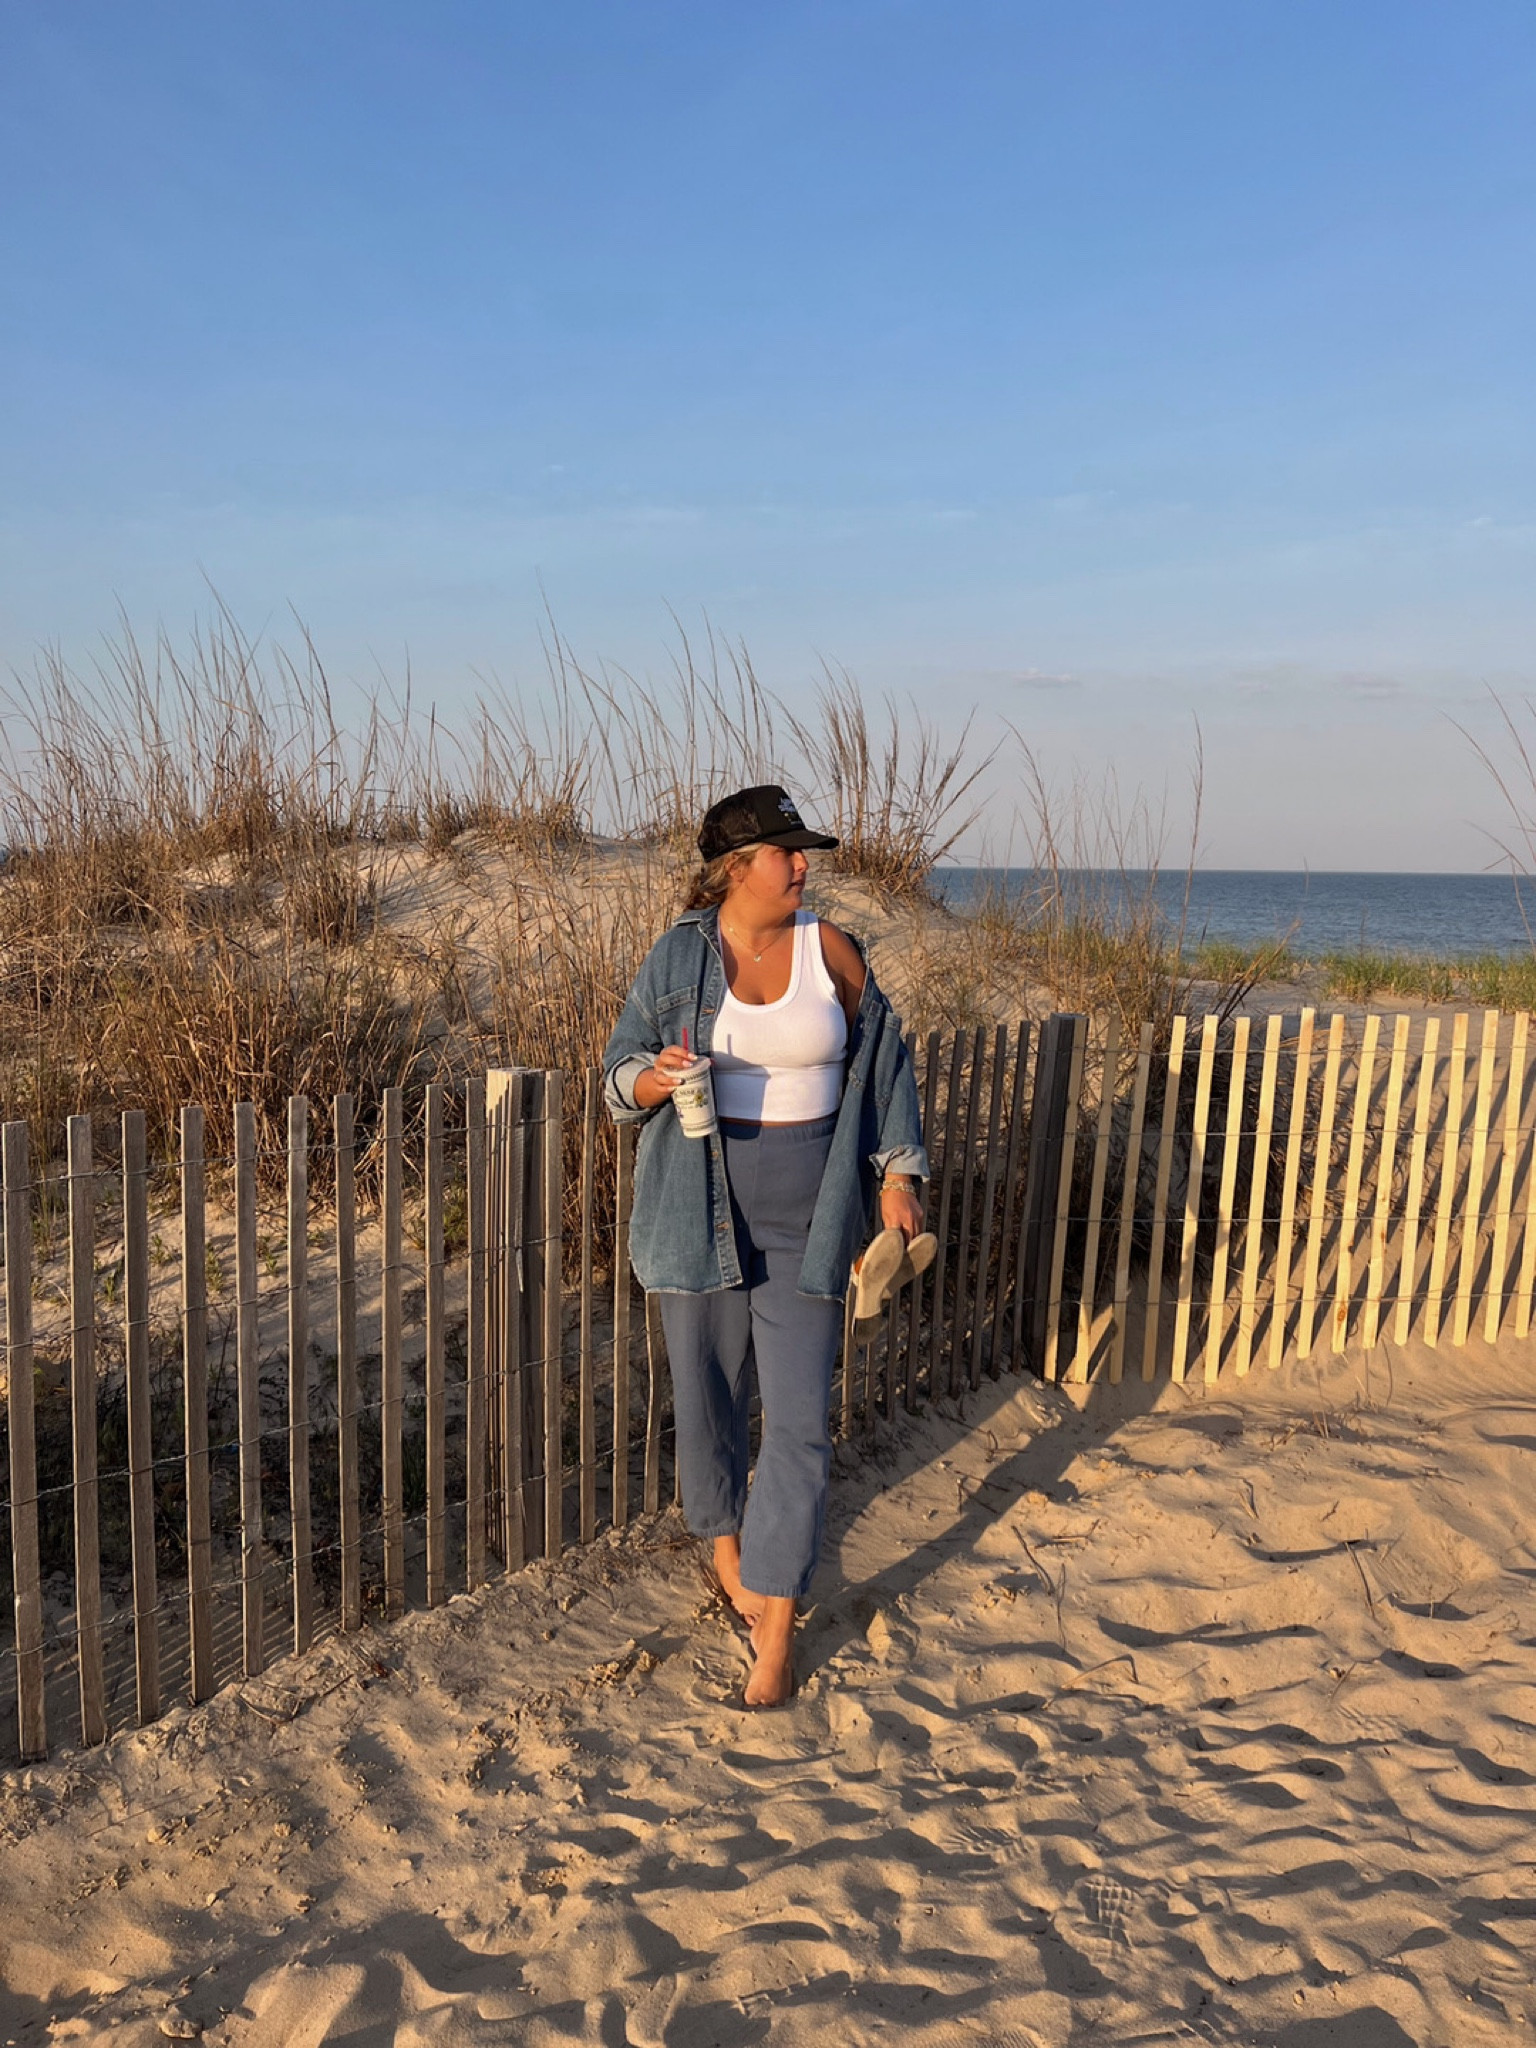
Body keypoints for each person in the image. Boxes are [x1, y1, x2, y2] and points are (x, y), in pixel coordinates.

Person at [603, 784, 928, 1707]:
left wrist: (898, 1178)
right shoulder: (678, 954)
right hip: (695, 1205)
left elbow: (888, 1059)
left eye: (802, 851)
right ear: (735, 869)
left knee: (795, 1421)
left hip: (813, 1215)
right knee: (707, 1399)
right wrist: (654, 1082)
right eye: (787, 852)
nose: (803, 864)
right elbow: (615, 1072)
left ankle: (777, 1625)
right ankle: (726, 1546)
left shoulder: (832, 951)